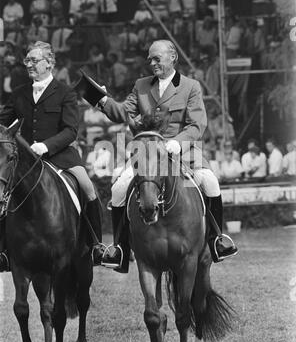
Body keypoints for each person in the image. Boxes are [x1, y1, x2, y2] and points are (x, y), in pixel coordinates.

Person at [76, 39, 238, 272]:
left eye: (156, 58)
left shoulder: (190, 86)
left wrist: (177, 143)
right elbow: (122, 112)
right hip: (147, 152)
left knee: (210, 182)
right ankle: (120, 250)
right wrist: (99, 98)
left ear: (173, 57)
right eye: (150, 59)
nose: (152, 63)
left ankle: (217, 240)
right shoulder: (141, 85)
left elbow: (197, 125)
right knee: (119, 188)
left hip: (183, 152)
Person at [0, 41, 106, 272]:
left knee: (88, 187)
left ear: (49, 63)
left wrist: (45, 146)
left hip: (60, 157)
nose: (29, 65)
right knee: (3, 192)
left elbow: (70, 131)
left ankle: (97, 246)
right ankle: (4, 251)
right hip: (25, 163)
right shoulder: (19, 94)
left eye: (34, 60)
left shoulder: (66, 93)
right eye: (27, 60)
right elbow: (2, 122)